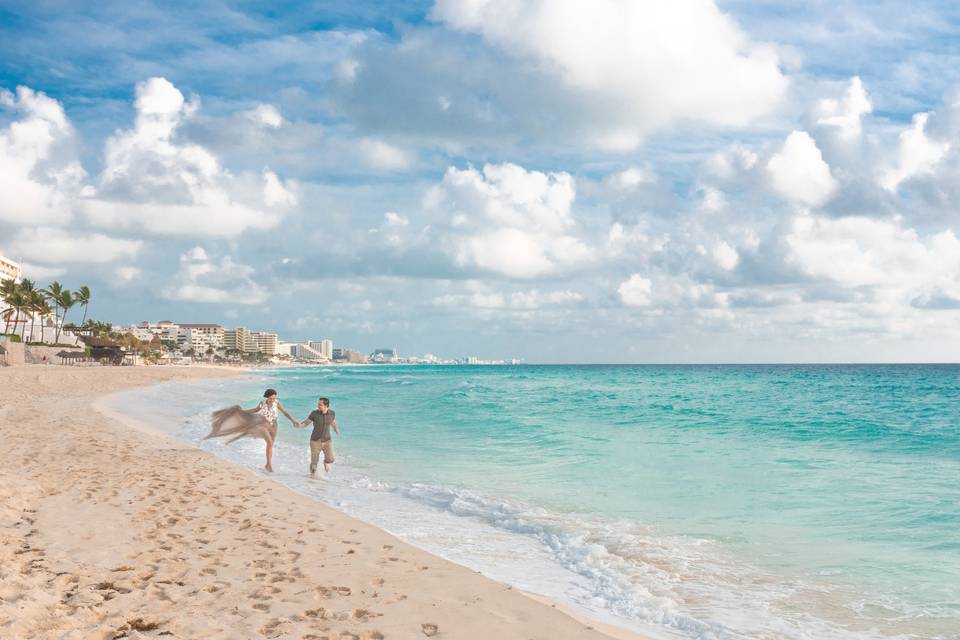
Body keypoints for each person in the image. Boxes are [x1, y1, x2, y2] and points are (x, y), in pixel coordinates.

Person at [206, 388, 298, 472]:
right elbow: (255, 410)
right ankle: (270, 465)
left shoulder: (277, 403)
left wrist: (293, 421)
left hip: (274, 425)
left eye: (274, 398)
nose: (272, 400)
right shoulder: (262, 403)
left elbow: (285, 412)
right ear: (267, 397)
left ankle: (267, 464)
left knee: (270, 445)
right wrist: (242, 412)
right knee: (269, 442)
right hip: (263, 425)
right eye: (271, 398)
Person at [298, 397, 339, 476]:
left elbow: (333, 422)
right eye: (318, 404)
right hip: (315, 441)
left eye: (320, 405)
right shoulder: (314, 413)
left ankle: (325, 462)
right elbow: (306, 422)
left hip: (327, 440)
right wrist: (299, 425)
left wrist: (335, 429)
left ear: (326, 406)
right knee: (314, 462)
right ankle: (312, 476)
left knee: (331, 459)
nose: (318, 406)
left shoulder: (332, 413)